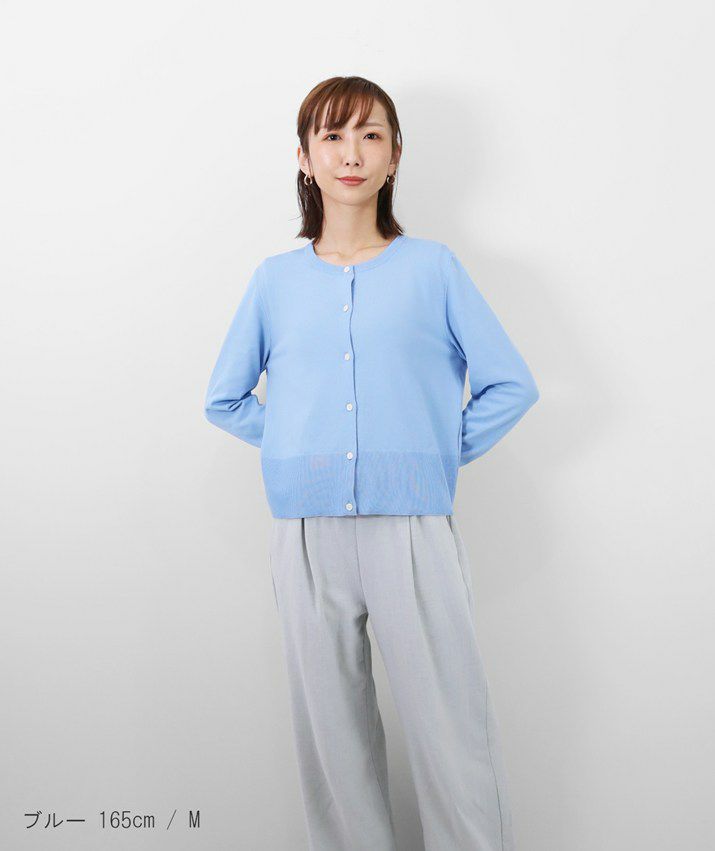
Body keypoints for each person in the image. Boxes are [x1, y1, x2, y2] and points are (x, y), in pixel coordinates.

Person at [204, 75, 539, 851]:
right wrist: (299, 450)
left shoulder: (432, 269)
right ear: (303, 156)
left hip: (412, 528)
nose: (350, 153)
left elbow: (510, 384)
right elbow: (223, 398)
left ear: (394, 156)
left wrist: (429, 454)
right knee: (332, 740)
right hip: (306, 533)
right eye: (332, 135)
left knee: (450, 730)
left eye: (369, 135)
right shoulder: (274, 281)